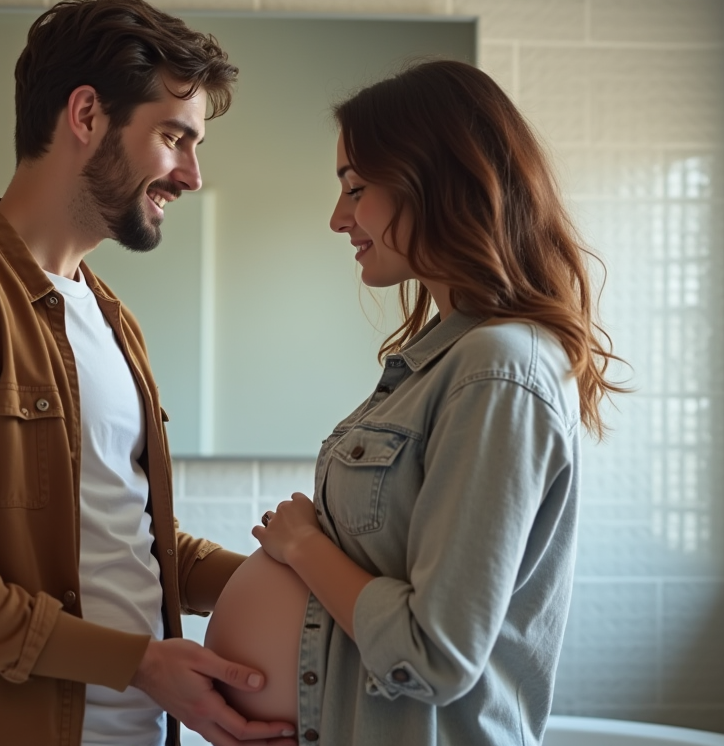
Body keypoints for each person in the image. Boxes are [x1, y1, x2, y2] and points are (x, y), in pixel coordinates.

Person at [0, 0, 297, 746]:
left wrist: (303, 588)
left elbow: (131, 542)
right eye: (175, 138)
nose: (192, 176)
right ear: (86, 116)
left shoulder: (111, 317)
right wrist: (138, 663)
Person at [251, 60, 624, 745]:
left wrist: (303, 546)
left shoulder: (497, 369)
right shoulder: (451, 359)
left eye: (356, 188)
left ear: (434, 182)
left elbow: (434, 652)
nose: (339, 218)